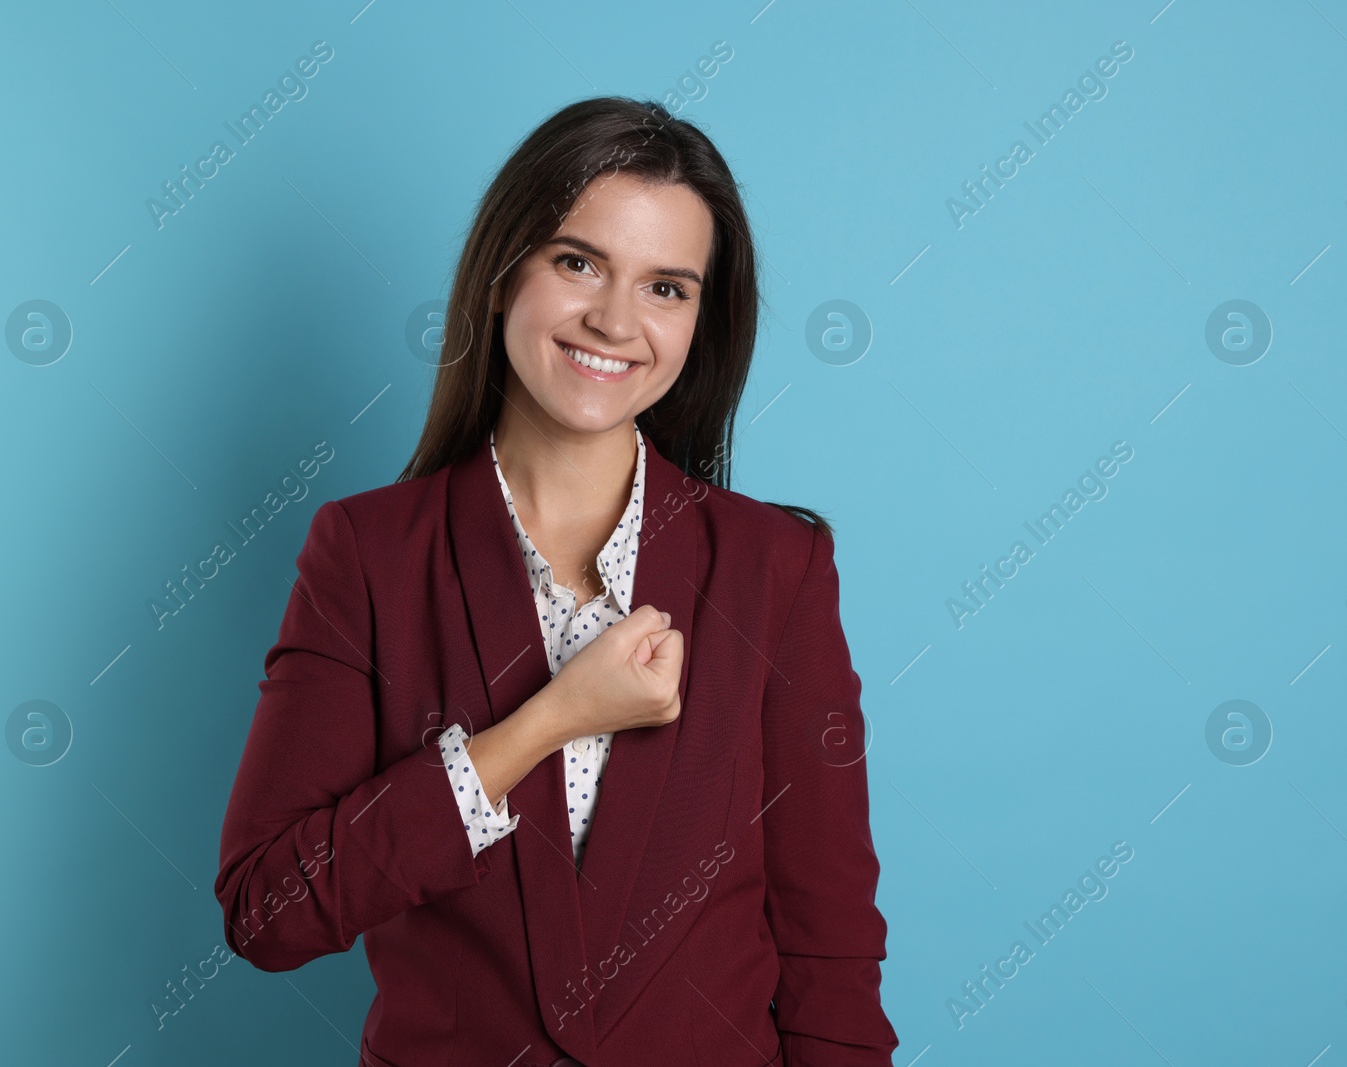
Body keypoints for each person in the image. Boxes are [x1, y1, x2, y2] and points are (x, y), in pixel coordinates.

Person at [214, 95, 898, 1067]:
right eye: (578, 262)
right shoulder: (365, 553)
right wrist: (546, 721)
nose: (614, 320)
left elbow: (830, 951)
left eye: (667, 287)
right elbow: (267, 910)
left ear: (702, 320)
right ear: (502, 277)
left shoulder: (773, 568)